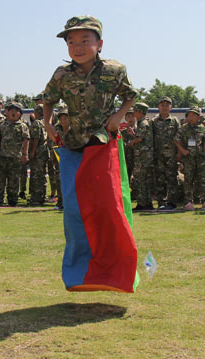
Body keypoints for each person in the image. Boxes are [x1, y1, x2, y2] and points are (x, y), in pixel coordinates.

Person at [42, 15, 138, 293]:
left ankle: (115, 271)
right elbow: (48, 99)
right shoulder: (61, 74)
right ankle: (81, 273)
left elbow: (130, 94)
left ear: (99, 43)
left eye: (85, 40)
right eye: (71, 41)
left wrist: (118, 116)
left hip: (102, 142)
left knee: (108, 206)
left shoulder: (114, 70)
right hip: (73, 145)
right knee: (73, 210)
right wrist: (48, 123)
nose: (77, 46)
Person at [0, 102, 29, 207]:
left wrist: (25, 154)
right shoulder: (2, 125)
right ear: (7, 112)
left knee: (14, 180)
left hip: (16, 158)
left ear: (20, 114)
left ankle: (12, 200)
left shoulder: (23, 126)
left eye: (16, 111)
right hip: (3, 157)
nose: (13, 113)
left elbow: (26, 140)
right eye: (11, 110)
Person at [175, 105, 205, 211]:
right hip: (188, 158)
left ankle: (204, 201)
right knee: (188, 180)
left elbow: (204, 141)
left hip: (200, 158)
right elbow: (176, 140)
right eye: (190, 114)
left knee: (202, 179)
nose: (191, 117)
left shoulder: (202, 127)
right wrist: (182, 151)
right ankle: (188, 202)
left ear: (198, 117)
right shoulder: (183, 128)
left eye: (194, 115)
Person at [151, 96, 181, 210]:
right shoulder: (153, 121)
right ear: (158, 107)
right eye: (162, 105)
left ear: (171, 107)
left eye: (167, 105)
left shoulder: (175, 121)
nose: (164, 107)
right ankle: (161, 202)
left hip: (172, 156)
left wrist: (179, 153)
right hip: (158, 155)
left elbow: (178, 138)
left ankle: (172, 202)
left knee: (172, 178)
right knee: (159, 179)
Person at [127, 102, 155, 211]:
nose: (134, 113)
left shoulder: (143, 123)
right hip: (144, 155)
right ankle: (147, 203)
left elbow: (140, 139)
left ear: (140, 112)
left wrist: (131, 142)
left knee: (141, 179)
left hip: (143, 156)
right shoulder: (144, 122)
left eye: (135, 111)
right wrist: (134, 134)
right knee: (144, 179)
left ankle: (142, 204)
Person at [27, 105, 49, 206]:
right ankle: (42, 196)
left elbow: (35, 139)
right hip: (44, 151)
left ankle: (36, 198)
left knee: (36, 175)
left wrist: (32, 152)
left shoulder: (36, 123)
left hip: (38, 153)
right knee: (42, 175)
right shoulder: (46, 123)